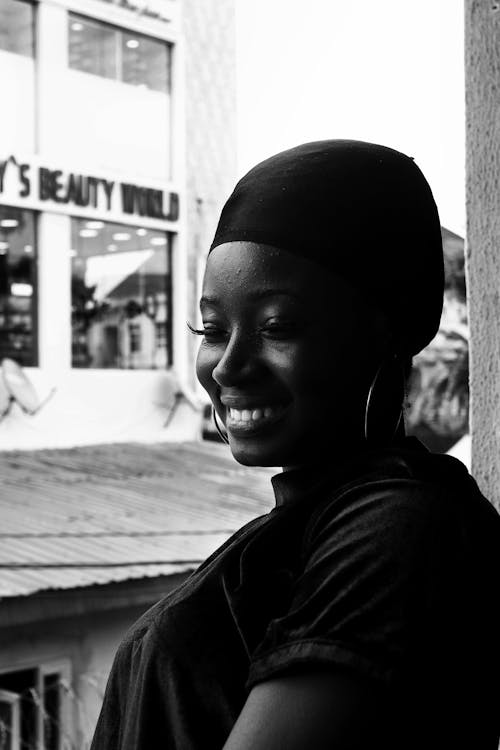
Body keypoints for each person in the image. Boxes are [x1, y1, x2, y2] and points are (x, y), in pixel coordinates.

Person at [90, 140, 500, 750]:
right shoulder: (312, 525)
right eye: (212, 329)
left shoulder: (396, 529)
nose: (228, 367)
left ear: (387, 333)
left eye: (276, 326)